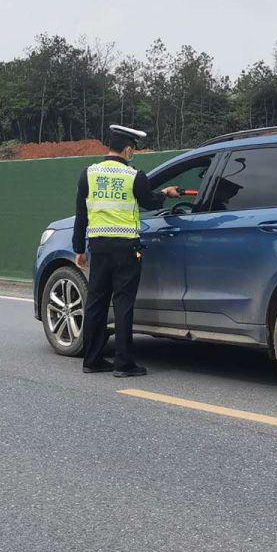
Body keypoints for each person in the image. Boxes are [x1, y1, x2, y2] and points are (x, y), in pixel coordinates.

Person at [73, 125, 181, 377]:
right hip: (126, 247)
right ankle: (123, 363)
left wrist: (79, 249)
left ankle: (92, 360)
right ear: (128, 150)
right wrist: (166, 193)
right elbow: (149, 202)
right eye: (133, 150)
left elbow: (81, 214)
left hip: (98, 246)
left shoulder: (88, 174)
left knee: (96, 302)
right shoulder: (134, 176)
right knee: (123, 303)